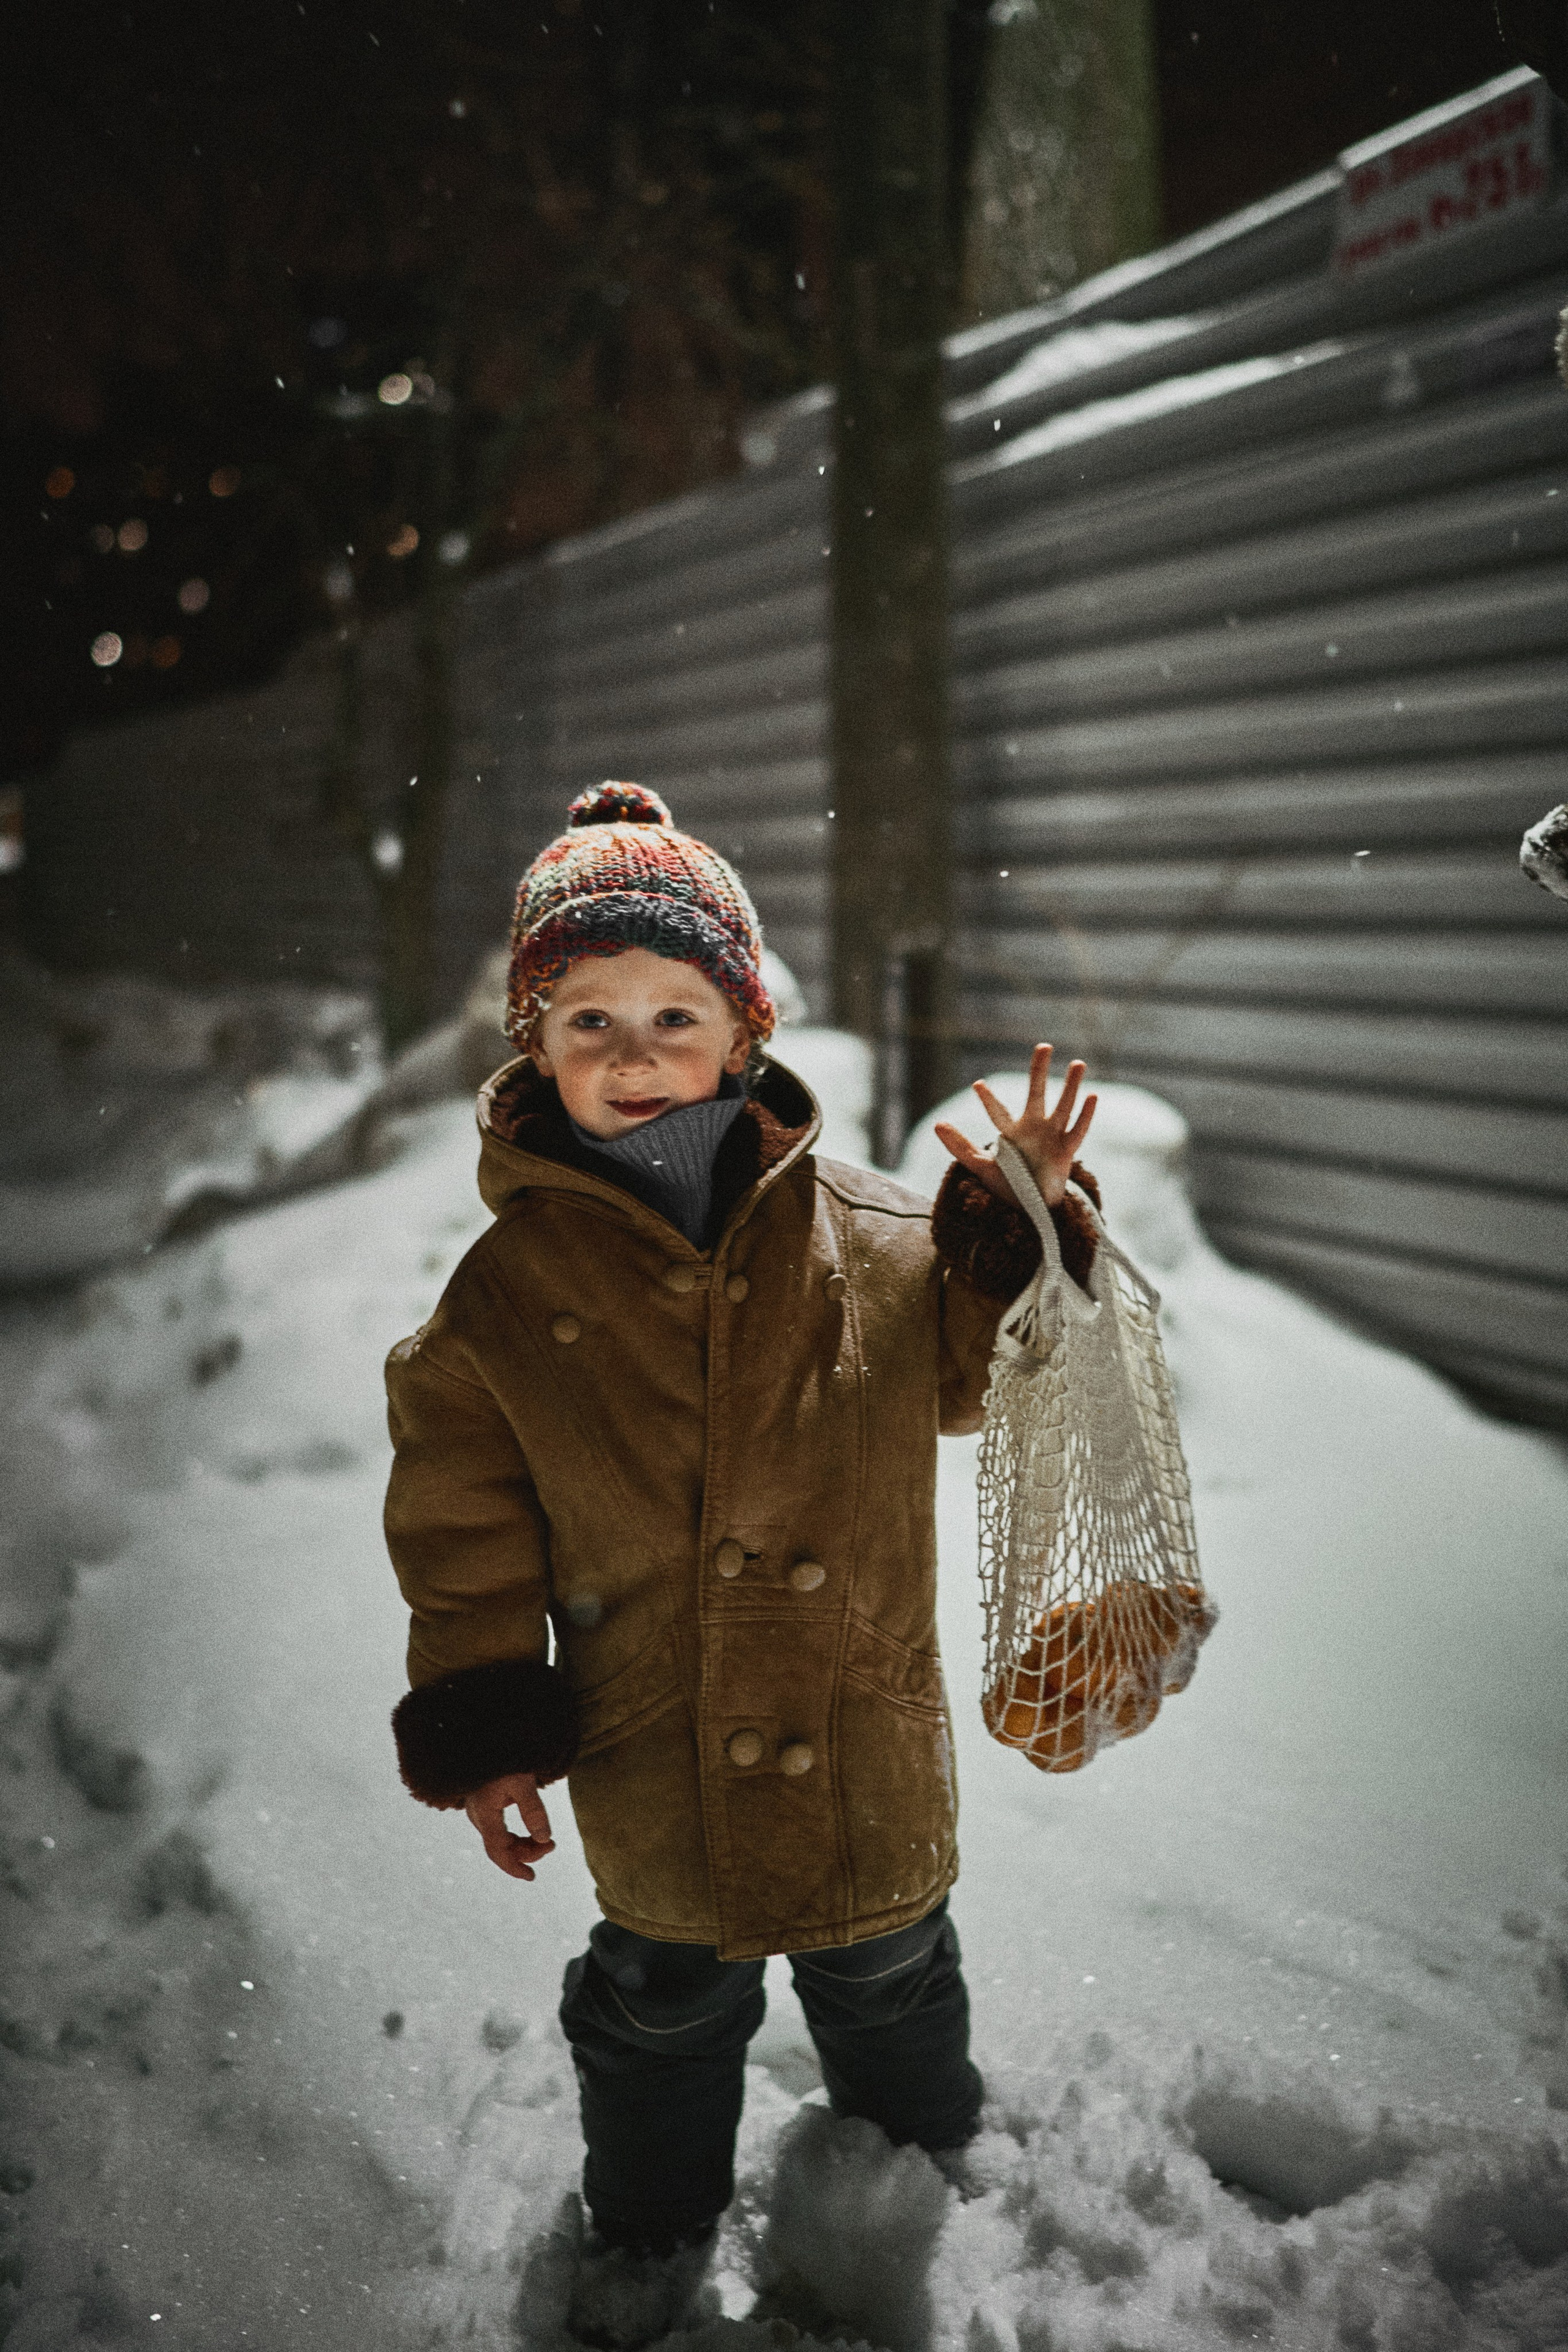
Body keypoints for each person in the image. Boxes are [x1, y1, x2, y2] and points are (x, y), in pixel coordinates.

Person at [383, 782, 1099, 2345]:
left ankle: (919, 2173)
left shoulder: (865, 1235)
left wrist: (1012, 1231)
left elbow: (976, 1373)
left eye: (672, 1012)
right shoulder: (502, 1299)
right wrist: (487, 1714)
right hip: (654, 1733)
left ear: (742, 1027)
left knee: (893, 1963)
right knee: (658, 2000)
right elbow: (461, 1523)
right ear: (532, 1045)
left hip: (858, 1720)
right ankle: (646, 2236)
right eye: (586, 1021)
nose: (633, 1055)